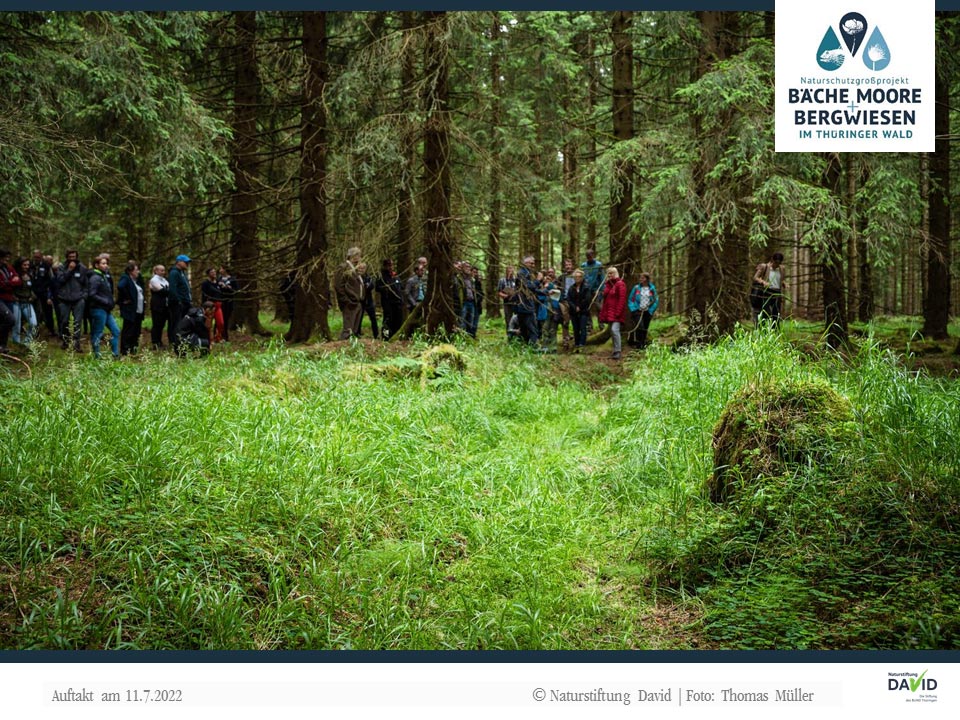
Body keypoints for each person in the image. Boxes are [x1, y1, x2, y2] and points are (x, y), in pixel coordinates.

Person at [55, 248, 89, 352]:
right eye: (70, 257)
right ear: (67, 257)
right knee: (64, 321)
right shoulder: (61, 267)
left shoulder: (82, 268)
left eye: (74, 257)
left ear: (77, 257)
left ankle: (76, 344)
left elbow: (86, 284)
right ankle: (66, 341)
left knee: (77, 322)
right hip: (64, 299)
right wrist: (69, 270)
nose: (72, 259)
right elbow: (60, 280)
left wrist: (84, 296)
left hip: (78, 299)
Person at [87, 255, 120, 359]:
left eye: (106, 263)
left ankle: (115, 354)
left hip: (106, 310)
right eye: (103, 263)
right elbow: (92, 294)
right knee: (98, 332)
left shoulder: (103, 276)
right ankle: (97, 355)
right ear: (96, 265)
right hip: (98, 309)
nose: (106, 266)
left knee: (116, 331)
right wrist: (105, 301)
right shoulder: (95, 277)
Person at [334, 247, 363, 339]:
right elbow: (338, 285)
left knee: (354, 330)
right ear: (352, 256)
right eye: (357, 255)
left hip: (357, 302)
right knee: (348, 330)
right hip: (349, 303)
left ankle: (351, 348)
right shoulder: (343, 267)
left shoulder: (355, 269)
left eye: (359, 255)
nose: (359, 258)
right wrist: (346, 300)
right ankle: (342, 347)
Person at [117, 261, 145, 355]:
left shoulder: (136, 281)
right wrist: (127, 297)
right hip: (130, 310)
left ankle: (133, 349)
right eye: (136, 270)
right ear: (130, 271)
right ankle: (125, 350)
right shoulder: (126, 278)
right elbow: (120, 286)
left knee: (136, 331)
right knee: (128, 330)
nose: (138, 272)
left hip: (138, 310)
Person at [599, 266, 627, 360]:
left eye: (611, 273)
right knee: (612, 331)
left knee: (615, 330)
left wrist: (618, 312)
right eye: (608, 273)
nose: (610, 275)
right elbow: (606, 299)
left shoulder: (620, 284)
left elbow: (622, 299)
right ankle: (615, 351)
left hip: (616, 313)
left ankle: (618, 351)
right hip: (609, 313)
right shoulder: (608, 285)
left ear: (615, 273)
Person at [627, 272, 659, 349]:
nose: (641, 279)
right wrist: (633, 309)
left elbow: (655, 300)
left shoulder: (652, 289)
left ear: (647, 279)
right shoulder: (636, 288)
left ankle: (643, 344)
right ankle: (638, 345)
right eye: (640, 278)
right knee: (640, 327)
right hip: (637, 311)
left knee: (645, 328)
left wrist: (651, 310)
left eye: (643, 278)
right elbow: (631, 299)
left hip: (647, 312)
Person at [10, 257, 38, 345]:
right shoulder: (14, 275)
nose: (26, 266)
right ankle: (16, 343)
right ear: (20, 265)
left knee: (33, 323)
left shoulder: (30, 275)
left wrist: (32, 296)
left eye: (28, 265)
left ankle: (27, 343)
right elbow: (10, 288)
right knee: (16, 325)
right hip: (16, 303)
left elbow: (31, 289)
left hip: (27, 303)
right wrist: (13, 296)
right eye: (24, 265)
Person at [514, 256, 540, 346]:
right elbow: (528, 286)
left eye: (534, 263)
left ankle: (527, 346)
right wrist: (538, 280)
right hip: (525, 305)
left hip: (525, 305)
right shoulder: (522, 273)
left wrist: (545, 292)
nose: (533, 265)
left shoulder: (528, 273)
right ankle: (533, 346)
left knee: (525, 327)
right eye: (531, 263)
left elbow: (533, 290)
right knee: (531, 327)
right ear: (525, 263)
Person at [754, 252, 786, 326]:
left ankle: (775, 331)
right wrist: (763, 282)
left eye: (779, 263)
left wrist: (784, 283)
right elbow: (755, 277)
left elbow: (781, 280)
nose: (777, 265)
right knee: (766, 312)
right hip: (766, 292)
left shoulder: (782, 269)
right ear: (772, 260)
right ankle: (764, 330)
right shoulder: (764, 267)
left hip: (777, 292)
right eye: (776, 262)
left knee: (776, 313)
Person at [376, 258, 405, 340]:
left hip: (398, 302)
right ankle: (386, 337)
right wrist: (386, 289)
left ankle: (397, 336)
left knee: (398, 320)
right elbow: (377, 288)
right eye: (389, 265)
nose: (390, 267)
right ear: (385, 266)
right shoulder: (381, 276)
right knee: (387, 321)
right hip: (388, 303)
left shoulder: (395, 276)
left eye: (391, 265)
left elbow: (401, 287)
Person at [0, 249, 21, 353]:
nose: (7, 260)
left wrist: (8, 283)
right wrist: (11, 283)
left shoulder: (9, 268)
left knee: (7, 321)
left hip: (9, 299)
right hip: (1, 299)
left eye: (8, 258)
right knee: (10, 319)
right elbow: (1, 285)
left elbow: (18, 280)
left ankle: (3, 346)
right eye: (4, 258)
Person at [31, 250, 55, 338]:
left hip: (44, 293)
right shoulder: (30, 265)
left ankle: (51, 330)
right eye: (35, 257)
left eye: (38, 257)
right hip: (33, 293)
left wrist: (49, 295)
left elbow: (51, 279)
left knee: (48, 312)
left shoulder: (46, 266)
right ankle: (35, 331)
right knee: (35, 313)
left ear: (41, 257)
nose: (36, 259)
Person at [566, 269, 592, 352]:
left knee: (582, 328)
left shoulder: (586, 287)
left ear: (582, 277)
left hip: (583, 311)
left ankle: (582, 344)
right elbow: (569, 299)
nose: (577, 278)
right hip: (573, 312)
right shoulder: (571, 287)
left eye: (579, 277)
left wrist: (579, 307)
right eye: (576, 277)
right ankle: (576, 344)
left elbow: (587, 299)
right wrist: (574, 307)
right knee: (575, 329)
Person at [167, 254, 192, 338]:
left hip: (185, 302)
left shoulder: (182, 273)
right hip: (178, 303)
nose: (187, 264)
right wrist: (178, 301)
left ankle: (181, 340)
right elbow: (172, 289)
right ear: (179, 262)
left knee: (183, 322)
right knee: (176, 322)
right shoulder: (174, 273)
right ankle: (174, 341)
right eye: (185, 262)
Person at [201, 267, 226, 342]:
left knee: (220, 323)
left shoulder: (218, 282)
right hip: (210, 306)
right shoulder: (205, 283)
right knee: (209, 324)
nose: (214, 273)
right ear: (208, 274)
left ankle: (218, 337)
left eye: (215, 272)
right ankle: (208, 339)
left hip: (218, 305)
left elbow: (221, 292)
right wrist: (204, 307)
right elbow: (204, 294)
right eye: (212, 272)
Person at [581, 248, 604, 327]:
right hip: (587, 289)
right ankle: (589, 325)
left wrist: (601, 290)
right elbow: (582, 278)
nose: (589, 258)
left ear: (593, 255)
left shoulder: (598, 265)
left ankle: (601, 324)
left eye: (590, 256)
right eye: (587, 256)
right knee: (587, 307)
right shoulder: (584, 265)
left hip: (596, 289)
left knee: (598, 306)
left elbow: (602, 277)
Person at [148, 265, 170, 349]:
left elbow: (167, 289)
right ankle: (155, 342)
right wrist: (169, 291)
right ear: (156, 271)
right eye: (161, 270)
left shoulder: (164, 280)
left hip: (165, 305)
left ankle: (159, 342)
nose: (163, 272)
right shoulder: (154, 280)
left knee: (161, 324)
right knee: (157, 324)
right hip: (157, 305)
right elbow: (162, 291)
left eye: (164, 270)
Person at [357, 262, 379, 339]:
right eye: (360, 268)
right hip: (360, 302)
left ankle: (376, 335)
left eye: (363, 268)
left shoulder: (368, 277)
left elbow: (371, 286)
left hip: (369, 301)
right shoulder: (356, 278)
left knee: (373, 318)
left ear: (365, 269)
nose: (361, 270)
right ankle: (357, 334)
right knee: (359, 319)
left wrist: (367, 285)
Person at [217, 266, 238, 341]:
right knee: (219, 320)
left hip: (228, 302)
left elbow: (236, 290)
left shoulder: (232, 279)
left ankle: (225, 336)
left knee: (225, 319)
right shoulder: (218, 278)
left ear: (225, 270)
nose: (220, 270)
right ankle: (217, 335)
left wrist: (228, 287)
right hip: (219, 301)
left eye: (221, 269)